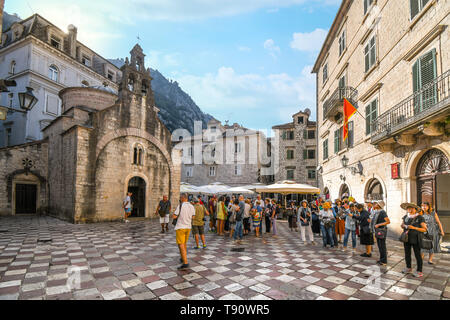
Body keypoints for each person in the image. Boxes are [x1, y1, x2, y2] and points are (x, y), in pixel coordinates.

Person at [400, 202, 428, 278]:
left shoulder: (420, 217)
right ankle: (408, 268)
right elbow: (402, 224)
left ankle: (419, 271)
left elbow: (424, 229)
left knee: (417, 255)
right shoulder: (406, 216)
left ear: (415, 209)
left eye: (411, 208)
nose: (409, 209)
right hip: (406, 238)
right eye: (408, 208)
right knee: (407, 253)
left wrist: (414, 228)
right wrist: (403, 226)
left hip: (416, 238)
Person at [172, 193, 196, 270]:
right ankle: (183, 257)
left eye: (180, 198)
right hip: (188, 227)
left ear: (182, 198)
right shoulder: (192, 206)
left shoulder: (181, 205)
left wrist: (177, 215)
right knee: (183, 244)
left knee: (181, 245)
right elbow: (193, 217)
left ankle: (185, 263)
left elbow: (174, 216)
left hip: (180, 227)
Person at [371, 200, 390, 266]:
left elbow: (388, 221)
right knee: (380, 245)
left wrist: (379, 225)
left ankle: (384, 261)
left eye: (375, 204)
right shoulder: (377, 212)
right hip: (378, 230)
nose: (374, 205)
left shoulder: (382, 212)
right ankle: (382, 259)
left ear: (379, 205)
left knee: (382, 245)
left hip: (381, 230)